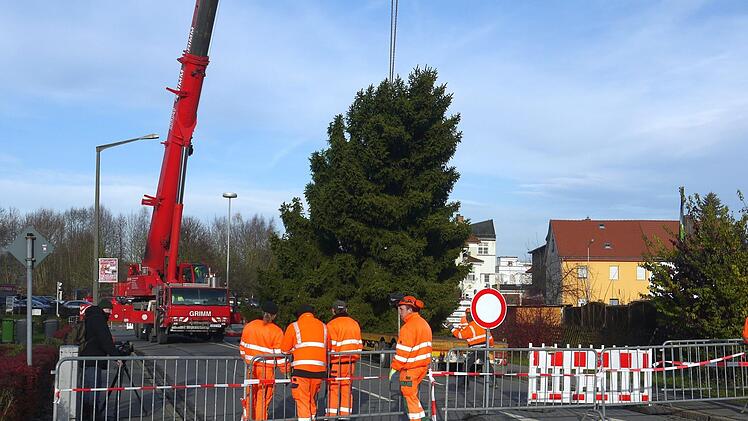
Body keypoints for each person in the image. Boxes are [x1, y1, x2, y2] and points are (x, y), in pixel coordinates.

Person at [281, 304, 329, 421]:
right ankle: (312, 417)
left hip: (301, 370)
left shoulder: (294, 326)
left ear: (299, 315)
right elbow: (328, 347)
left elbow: (284, 349)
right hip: (319, 371)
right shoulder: (323, 326)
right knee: (311, 399)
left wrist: (294, 349)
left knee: (303, 401)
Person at [79, 299, 124, 420]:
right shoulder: (98, 319)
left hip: (85, 357)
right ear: (103, 309)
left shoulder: (91, 316)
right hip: (93, 358)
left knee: (87, 388)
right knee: (93, 389)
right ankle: (92, 415)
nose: (109, 313)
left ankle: (87, 413)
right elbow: (105, 340)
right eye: (108, 310)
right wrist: (117, 357)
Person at [239, 301, 285, 420]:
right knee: (263, 399)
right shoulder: (276, 331)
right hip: (267, 370)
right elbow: (280, 357)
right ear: (274, 315)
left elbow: (242, 349)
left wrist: (248, 360)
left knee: (250, 396)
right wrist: (287, 372)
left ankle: (248, 418)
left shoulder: (249, 326)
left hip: (250, 367)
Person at [389, 295, 432, 421]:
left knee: (409, 399)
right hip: (421, 368)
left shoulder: (408, 327)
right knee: (413, 397)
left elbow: (403, 353)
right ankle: (422, 419)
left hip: (410, 370)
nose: (400, 313)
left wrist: (394, 368)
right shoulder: (424, 324)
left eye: (401, 309)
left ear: (410, 309)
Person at [326, 300, 362, 418]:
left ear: (333, 311)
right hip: (351, 363)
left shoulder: (331, 325)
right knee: (347, 389)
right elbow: (359, 345)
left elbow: (329, 348)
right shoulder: (354, 324)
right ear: (346, 310)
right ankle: (345, 415)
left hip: (336, 363)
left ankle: (331, 415)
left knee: (333, 389)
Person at [449, 310, 494, 381]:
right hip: (484, 348)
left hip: (475, 350)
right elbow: (490, 337)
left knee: (466, 366)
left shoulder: (470, 327)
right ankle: (495, 383)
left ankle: (464, 383)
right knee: (488, 365)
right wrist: (491, 347)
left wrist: (451, 328)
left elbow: (460, 335)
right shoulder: (481, 325)